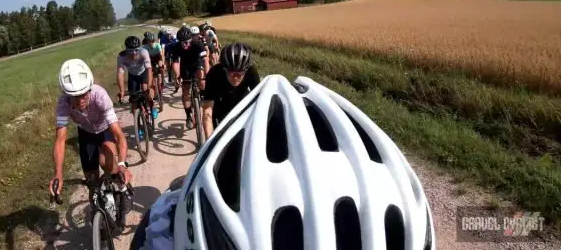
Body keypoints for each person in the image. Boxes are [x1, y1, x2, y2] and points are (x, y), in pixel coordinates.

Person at [129, 75, 436, 250]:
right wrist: (205, 131)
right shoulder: (218, 72)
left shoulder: (245, 72)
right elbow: (208, 109)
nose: (236, 75)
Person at [49, 59, 133, 228]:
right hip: (86, 134)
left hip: (105, 131)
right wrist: (58, 173)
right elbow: (60, 141)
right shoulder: (63, 103)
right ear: (67, 94)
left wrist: (123, 164)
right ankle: (97, 216)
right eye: (75, 97)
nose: (80, 101)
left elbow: (119, 136)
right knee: (92, 182)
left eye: (84, 94)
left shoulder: (99, 95)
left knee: (107, 163)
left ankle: (122, 189)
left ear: (90, 88)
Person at [201, 43, 259, 139]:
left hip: (242, 105)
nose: (236, 78)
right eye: (232, 74)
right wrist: (209, 142)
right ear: (224, 69)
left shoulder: (251, 71)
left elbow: (258, 100)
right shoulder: (214, 73)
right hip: (220, 107)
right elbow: (207, 110)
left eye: (240, 74)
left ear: (246, 70)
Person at [169, 26, 209, 129]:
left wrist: (207, 74)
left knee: (201, 77)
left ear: (191, 39)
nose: (185, 44)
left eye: (187, 41)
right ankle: (188, 116)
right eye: (182, 42)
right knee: (186, 92)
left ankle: (203, 95)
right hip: (185, 66)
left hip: (197, 63)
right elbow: (176, 63)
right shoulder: (176, 47)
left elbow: (205, 60)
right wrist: (177, 76)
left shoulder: (198, 44)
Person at [117, 36, 156, 118]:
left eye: (136, 50)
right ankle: (138, 124)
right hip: (133, 75)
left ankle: (152, 107)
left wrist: (149, 86)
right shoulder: (121, 56)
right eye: (131, 51)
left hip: (144, 72)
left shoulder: (144, 52)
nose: (134, 53)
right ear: (126, 50)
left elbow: (149, 70)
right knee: (134, 100)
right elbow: (120, 73)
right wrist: (122, 90)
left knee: (146, 91)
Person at [142, 31, 165, 95]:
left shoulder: (157, 45)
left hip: (157, 56)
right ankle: (154, 87)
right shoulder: (144, 46)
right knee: (150, 71)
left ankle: (163, 79)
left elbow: (161, 55)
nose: (151, 43)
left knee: (161, 66)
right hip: (150, 58)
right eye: (149, 41)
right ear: (147, 41)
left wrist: (163, 63)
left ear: (154, 40)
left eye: (152, 41)